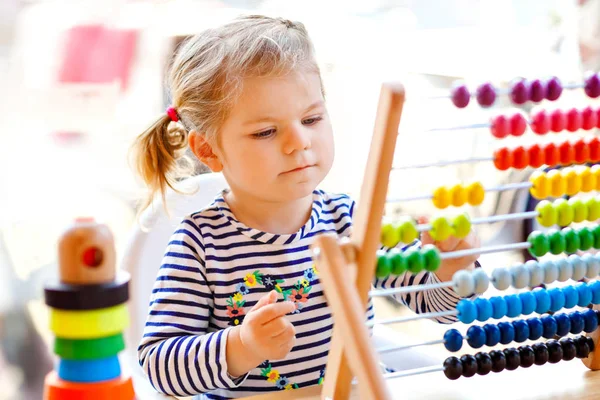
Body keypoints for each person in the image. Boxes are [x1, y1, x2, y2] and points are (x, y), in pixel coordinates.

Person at [132, 15, 481, 399]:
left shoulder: (348, 220)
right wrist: (241, 346)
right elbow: (158, 364)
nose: (299, 141)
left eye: (311, 118)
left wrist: (452, 266)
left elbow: (436, 305)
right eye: (266, 131)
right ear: (209, 150)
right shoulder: (200, 245)